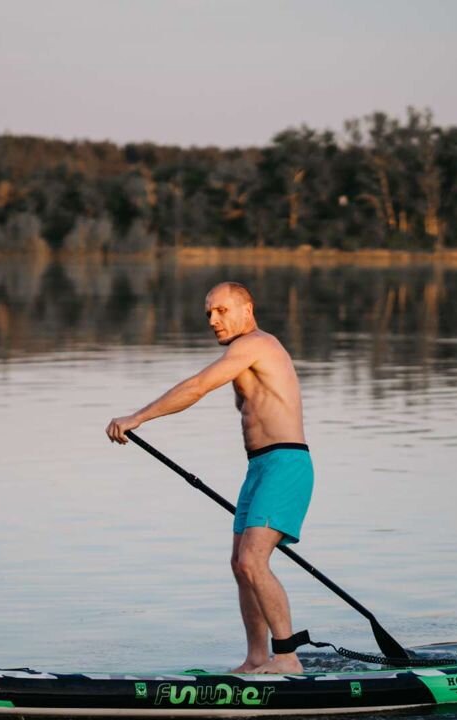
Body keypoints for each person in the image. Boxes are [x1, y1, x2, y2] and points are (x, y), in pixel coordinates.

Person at [106, 282, 312, 674]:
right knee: (240, 563)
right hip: (261, 466)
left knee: (254, 560)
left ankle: (286, 657)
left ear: (247, 309)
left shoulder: (256, 344)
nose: (213, 321)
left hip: (286, 464)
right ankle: (256, 658)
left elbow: (197, 386)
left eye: (221, 311)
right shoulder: (244, 353)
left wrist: (137, 418)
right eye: (208, 314)